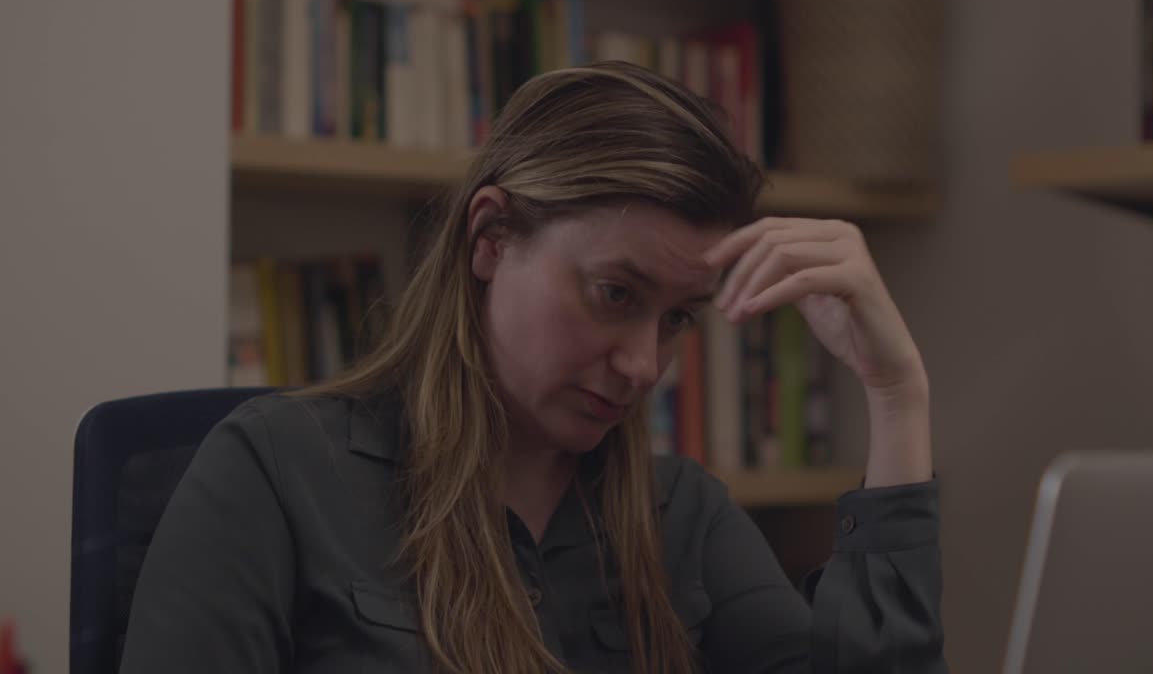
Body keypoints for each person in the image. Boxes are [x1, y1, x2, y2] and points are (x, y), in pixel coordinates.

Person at [120, 61, 944, 673]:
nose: (643, 364)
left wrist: (895, 394)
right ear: (490, 238)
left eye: (676, 320)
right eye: (616, 293)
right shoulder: (276, 472)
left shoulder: (680, 516)